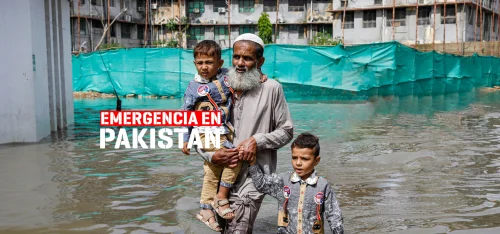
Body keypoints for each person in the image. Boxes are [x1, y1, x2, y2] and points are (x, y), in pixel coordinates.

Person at [198, 33, 294, 233]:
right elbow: (199, 129)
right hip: (219, 172)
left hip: (253, 176)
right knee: (223, 229)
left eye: (248, 58)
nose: (240, 63)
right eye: (236, 57)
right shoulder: (219, 87)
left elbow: (286, 131)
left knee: (237, 230)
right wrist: (211, 155)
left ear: (260, 62)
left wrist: (257, 141)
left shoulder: (271, 88)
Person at [179, 40, 240, 232]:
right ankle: (221, 197)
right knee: (234, 158)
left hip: (225, 130)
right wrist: (185, 138)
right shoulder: (193, 87)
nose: (204, 67)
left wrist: (260, 77)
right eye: (200, 62)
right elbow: (186, 113)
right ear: (195, 63)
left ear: (219, 63)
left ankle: (206, 209)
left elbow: (244, 71)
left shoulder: (227, 75)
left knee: (212, 171)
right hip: (207, 131)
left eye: (209, 62)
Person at [249, 133, 344, 234]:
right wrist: (252, 163)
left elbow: (335, 216)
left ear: (316, 160)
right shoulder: (283, 181)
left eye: (305, 159)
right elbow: (261, 184)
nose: (298, 163)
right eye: (294, 158)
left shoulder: (323, 186)